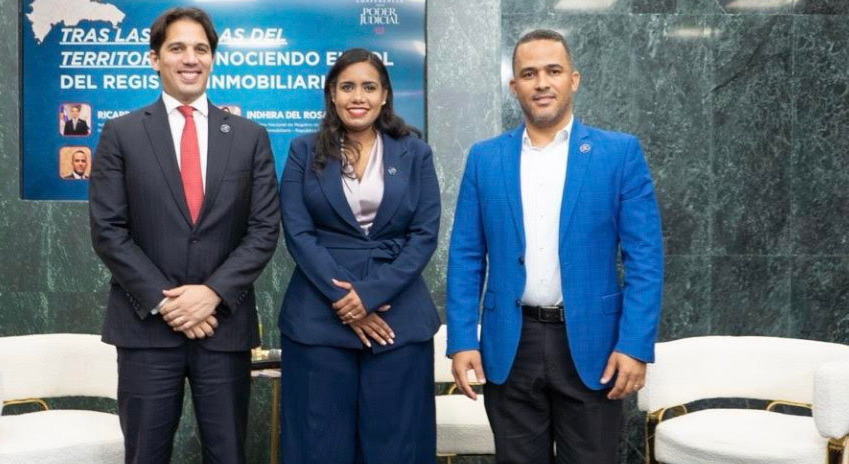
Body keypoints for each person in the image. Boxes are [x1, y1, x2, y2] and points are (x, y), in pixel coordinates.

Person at [445, 29, 663, 463]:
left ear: (573, 79)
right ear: (514, 86)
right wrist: (463, 339)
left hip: (594, 346)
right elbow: (466, 256)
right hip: (511, 344)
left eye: (553, 71)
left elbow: (645, 258)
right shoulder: (485, 158)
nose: (542, 83)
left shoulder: (618, 153)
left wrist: (634, 344)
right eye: (529, 74)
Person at [89, 7, 279, 464]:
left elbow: (263, 229)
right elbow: (109, 231)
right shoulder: (121, 134)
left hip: (223, 327)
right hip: (147, 328)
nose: (190, 58)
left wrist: (211, 294)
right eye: (177, 48)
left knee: (228, 454)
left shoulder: (250, 136)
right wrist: (169, 303)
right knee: (145, 455)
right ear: (155, 59)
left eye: (201, 49)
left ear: (212, 58)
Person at [278, 48, 441, 464]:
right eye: (347, 87)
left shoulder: (414, 152)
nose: (358, 97)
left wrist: (369, 295)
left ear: (385, 95)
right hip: (318, 318)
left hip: (397, 318)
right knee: (319, 445)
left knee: (397, 447)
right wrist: (345, 299)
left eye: (369, 87)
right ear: (332, 94)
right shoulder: (302, 150)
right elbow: (298, 232)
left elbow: (424, 234)